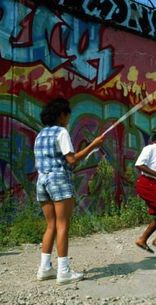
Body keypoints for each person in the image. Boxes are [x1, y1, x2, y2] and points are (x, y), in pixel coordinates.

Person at [34, 98, 105, 285]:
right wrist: (93, 146)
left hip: (42, 181)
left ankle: (44, 269)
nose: (68, 119)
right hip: (58, 180)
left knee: (51, 225)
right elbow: (72, 160)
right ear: (61, 115)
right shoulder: (61, 132)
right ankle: (64, 271)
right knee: (63, 224)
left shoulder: (40, 135)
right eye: (67, 115)